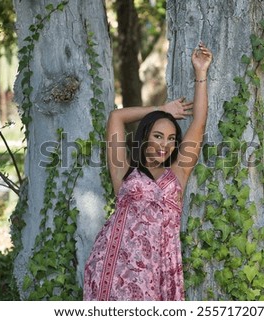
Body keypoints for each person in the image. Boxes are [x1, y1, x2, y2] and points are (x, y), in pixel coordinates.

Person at [83, 42, 213, 301]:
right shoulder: (124, 172)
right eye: (157, 135)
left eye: (170, 138)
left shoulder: (177, 174)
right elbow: (116, 117)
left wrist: (201, 72)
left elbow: (198, 122)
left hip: (158, 272)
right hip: (113, 266)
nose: (164, 144)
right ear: (145, 137)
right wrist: (161, 110)